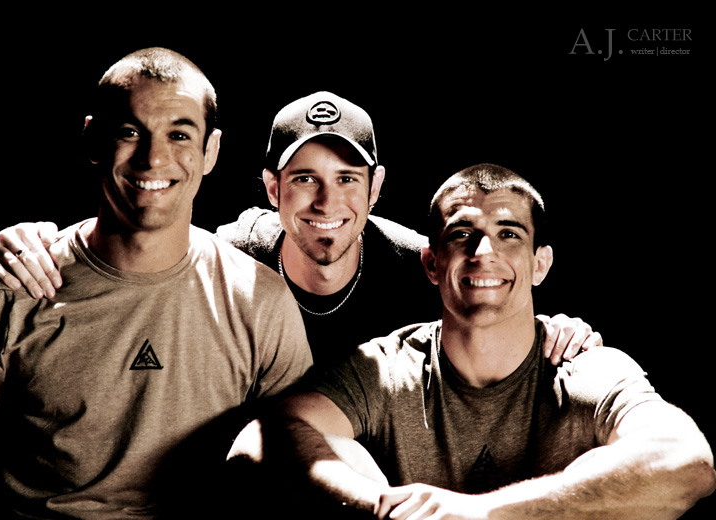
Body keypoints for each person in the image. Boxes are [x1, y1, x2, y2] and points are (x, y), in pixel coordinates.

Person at [0, 47, 313, 519]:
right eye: (130, 132)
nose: (154, 159)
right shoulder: (17, 281)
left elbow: (298, 461)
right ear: (93, 140)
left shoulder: (260, 300)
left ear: (210, 151)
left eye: (179, 134)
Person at [227, 163, 716, 519]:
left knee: (618, 475)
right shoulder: (386, 368)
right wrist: (383, 506)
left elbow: (686, 463)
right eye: (463, 234)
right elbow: (256, 445)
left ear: (540, 264)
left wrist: (482, 513)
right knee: (339, 455)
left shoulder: (584, 367)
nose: (484, 253)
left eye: (508, 234)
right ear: (432, 263)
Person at [0, 91, 600, 369]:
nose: (326, 200)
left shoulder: (419, 266)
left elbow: (493, 300)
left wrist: (559, 329)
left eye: (348, 179)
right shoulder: (232, 257)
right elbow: (145, 248)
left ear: (376, 189)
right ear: (272, 189)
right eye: (303, 179)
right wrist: (37, 238)